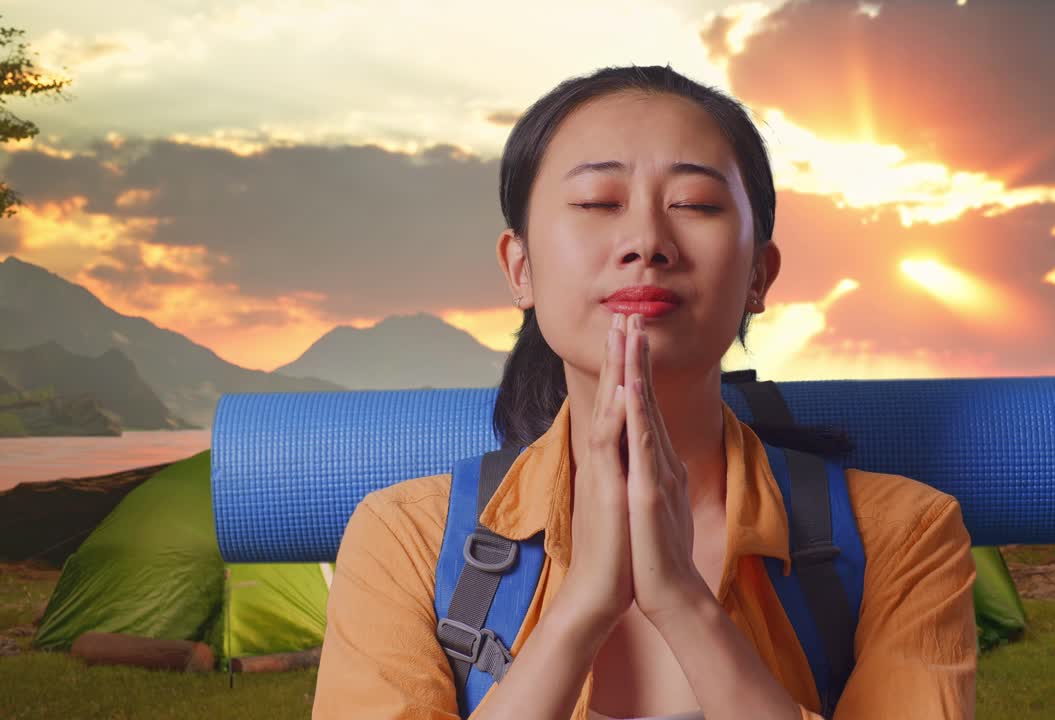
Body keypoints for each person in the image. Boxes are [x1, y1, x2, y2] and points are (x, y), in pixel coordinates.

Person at [313, 64, 977, 720]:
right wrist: (582, 608)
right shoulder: (404, 538)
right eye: (598, 203)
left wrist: (683, 605)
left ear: (758, 275)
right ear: (521, 269)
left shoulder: (905, 533)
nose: (646, 242)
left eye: (694, 205)